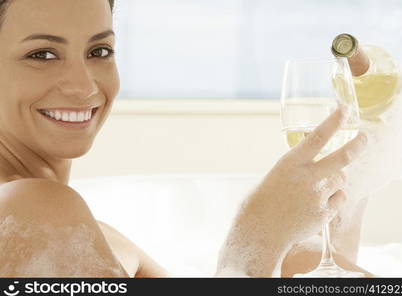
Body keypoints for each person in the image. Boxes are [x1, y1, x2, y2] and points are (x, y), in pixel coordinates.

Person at [0, 0, 368, 277]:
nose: (84, 87)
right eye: (42, 54)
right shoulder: (28, 207)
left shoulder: (72, 225)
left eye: (99, 51)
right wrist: (255, 239)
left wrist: (364, 148)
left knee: (298, 260)